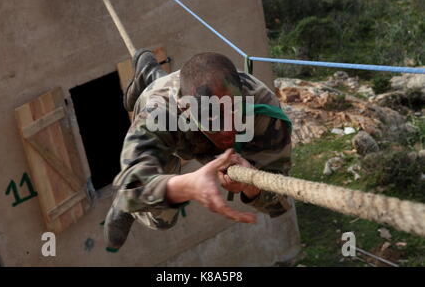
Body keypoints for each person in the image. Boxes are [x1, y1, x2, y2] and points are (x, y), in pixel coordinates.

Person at [104, 50, 293, 252]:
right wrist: (188, 184)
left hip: (200, 134)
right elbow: (131, 186)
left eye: (235, 111)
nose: (230, 129)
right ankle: (149, 75)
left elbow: (278, 200)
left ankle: (154, 74)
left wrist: (251, 186)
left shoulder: (263, 108)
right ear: (186, 110)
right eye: (215, 120)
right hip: (171, 130)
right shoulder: (159, 112)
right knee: (162, 220)